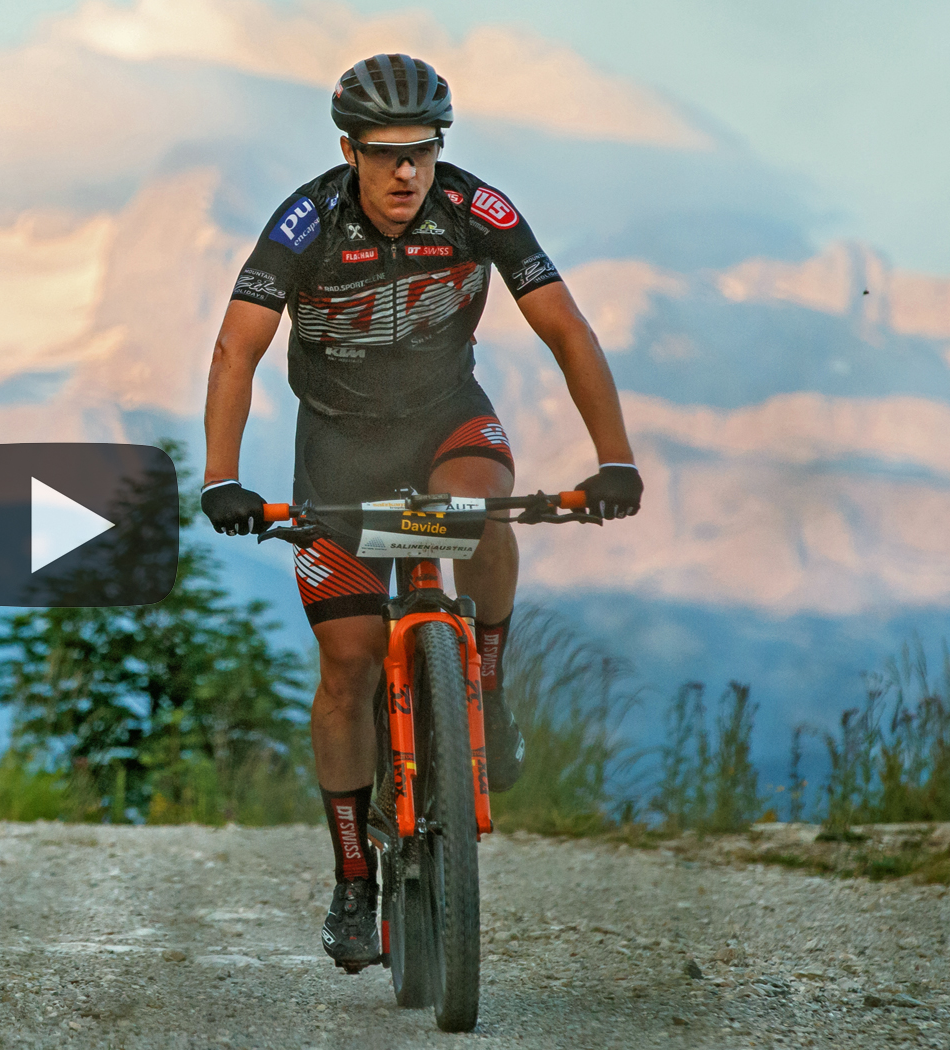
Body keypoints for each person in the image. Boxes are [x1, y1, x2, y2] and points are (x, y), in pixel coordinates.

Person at [198, 53, 643, 969]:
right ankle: (354, 879)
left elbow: (565, 328)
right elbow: (237, 347)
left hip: (446, 420)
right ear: (350, 151)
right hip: (340, 447)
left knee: (481, 508)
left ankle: (482, 677)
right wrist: (221, 476)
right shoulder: (306, 219)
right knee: (348, 668)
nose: (407, 172)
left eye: (423, 152)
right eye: (386, 153)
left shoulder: (477, 208)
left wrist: (615, 460)